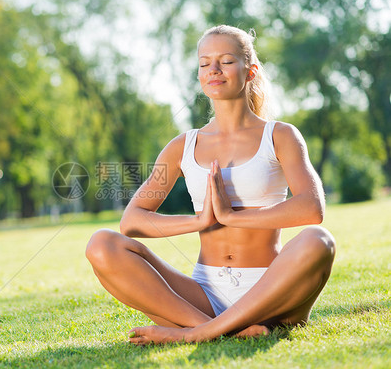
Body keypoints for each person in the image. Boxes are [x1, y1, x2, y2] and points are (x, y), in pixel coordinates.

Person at [85, 25, 336, 345]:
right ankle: (210, 327)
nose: (213, 70)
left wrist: (233, 216)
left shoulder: (280, 136)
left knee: (318, 240)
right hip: (202, 296)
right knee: (102, 244)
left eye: (226, 61)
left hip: (271, 293)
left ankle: (199, 334)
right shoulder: (181, 147)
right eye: (205, 63)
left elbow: (312, 208)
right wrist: (199, 221)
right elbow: (131, 221)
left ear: (251, 72)